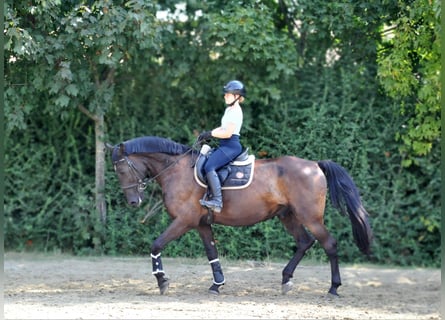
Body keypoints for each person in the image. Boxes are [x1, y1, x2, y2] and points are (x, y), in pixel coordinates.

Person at [197, 80, 246, 212]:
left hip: (231, 145)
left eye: (228, 94)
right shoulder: (229, 109)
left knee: (209, 166)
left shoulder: (236, 111)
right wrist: (207, 134)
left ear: (237, 97)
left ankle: (217, 201)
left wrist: (211, 134)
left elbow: (228, 133)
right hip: (225, 145)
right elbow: (223, 128)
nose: (225, 96)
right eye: (225, 94)